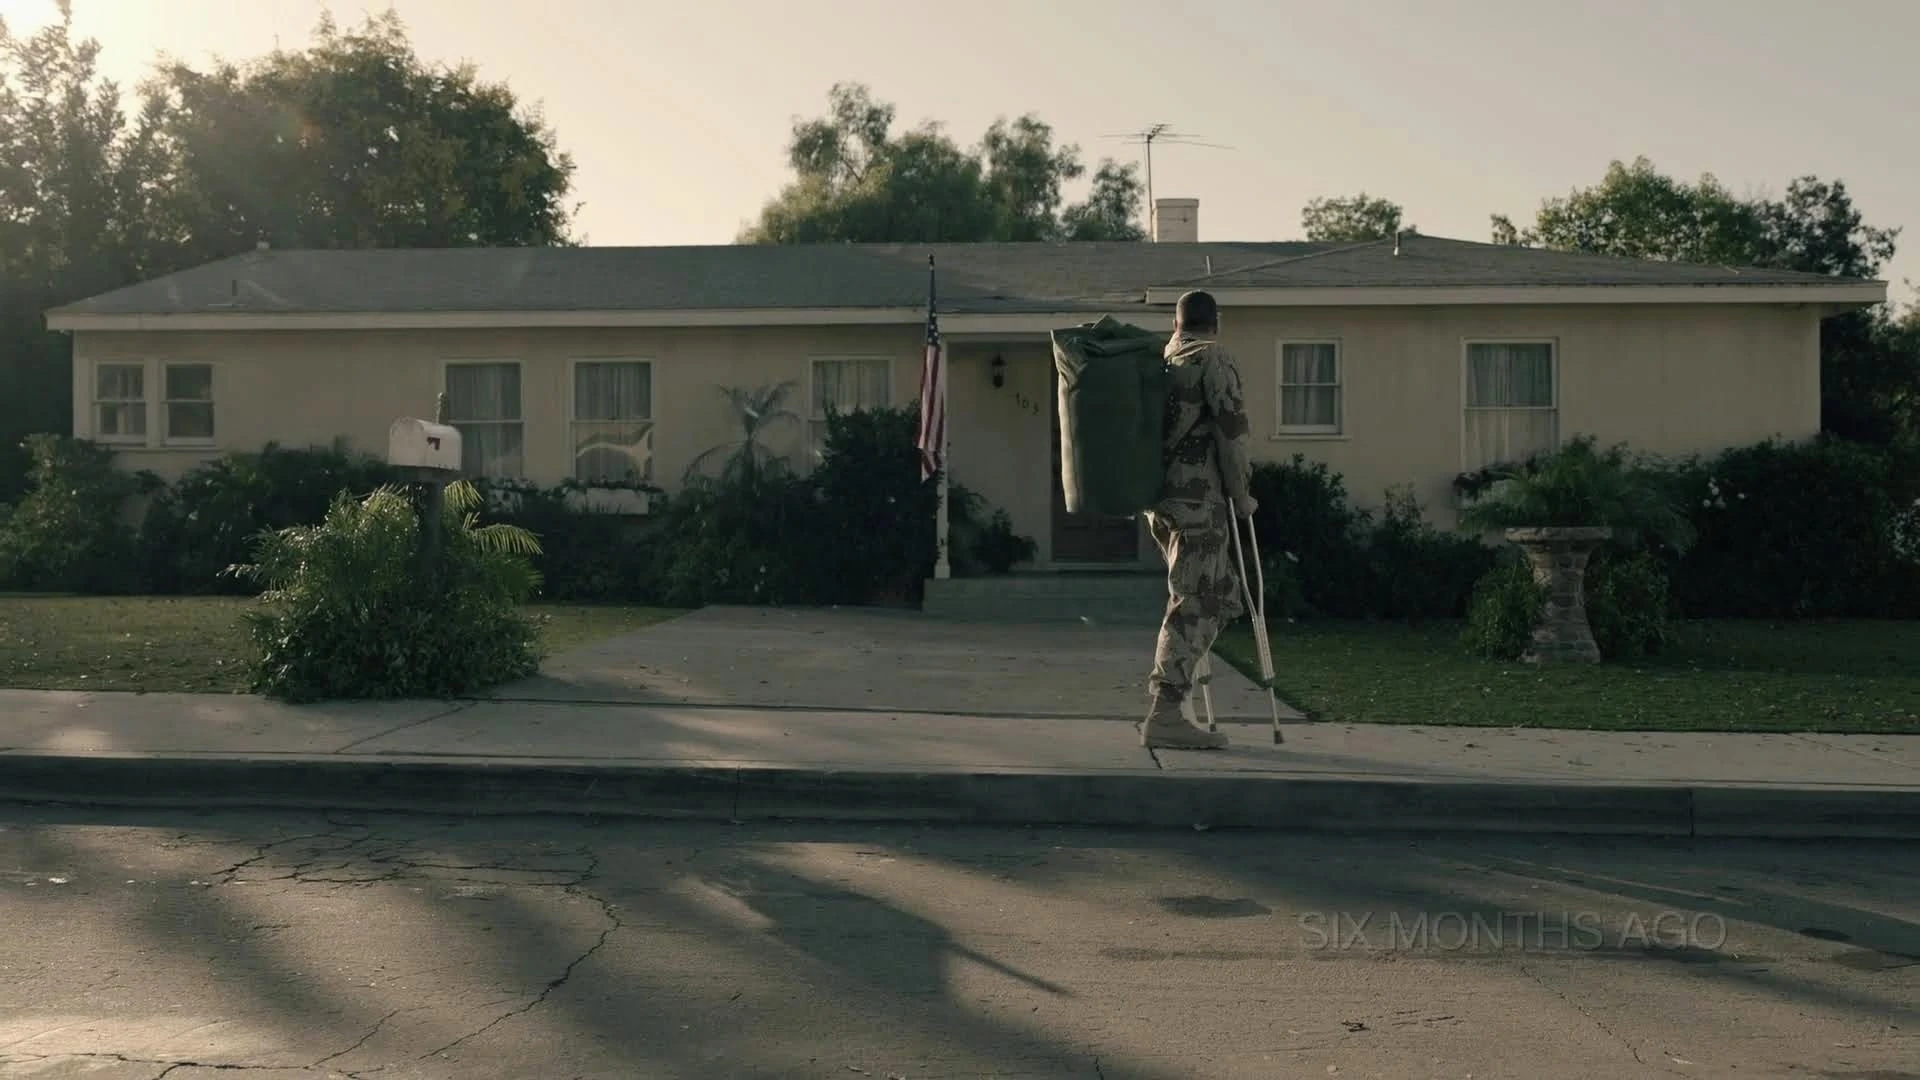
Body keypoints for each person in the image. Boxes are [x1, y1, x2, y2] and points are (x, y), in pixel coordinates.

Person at [1139, 290, 1257, 750]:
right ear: (1216, 322)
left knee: (1220, 595)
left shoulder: (1164, 361)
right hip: (1199, 505)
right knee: (1196, 600)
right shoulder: (1213, 358)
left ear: (1176, 323)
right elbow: (1232, 435)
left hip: (1163, 505)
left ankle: (1175, 696)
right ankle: (1165, 712)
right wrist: (1242, 494)